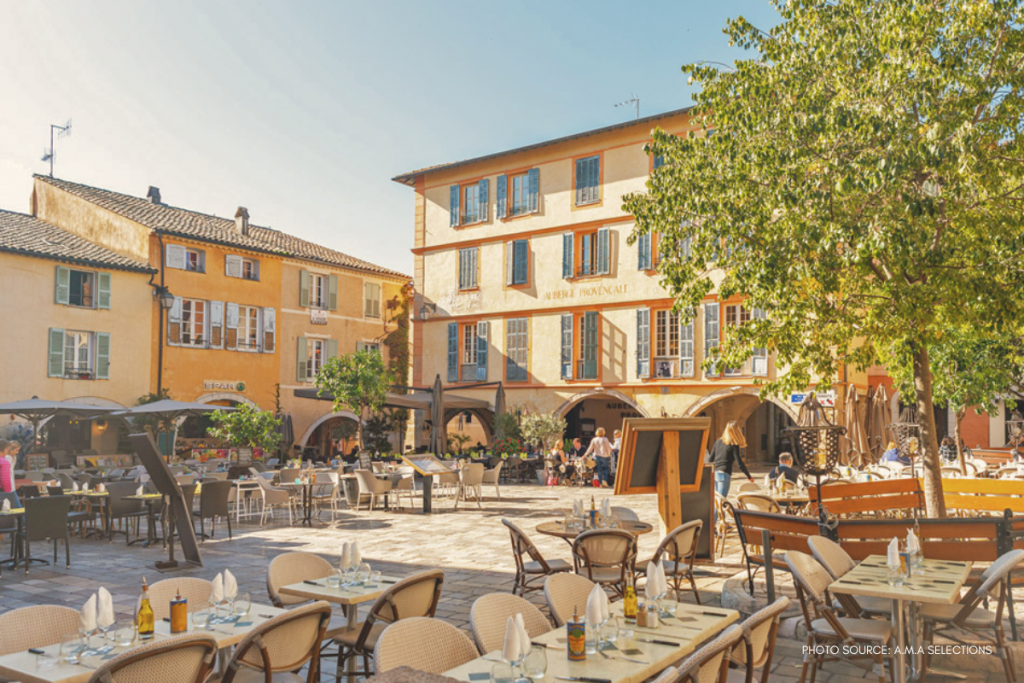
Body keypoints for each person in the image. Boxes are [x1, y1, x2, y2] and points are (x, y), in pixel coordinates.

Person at [711, 421, 753, 497]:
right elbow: (740, 464)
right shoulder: (733, 445)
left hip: (715, 473)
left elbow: (710, 459)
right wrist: (749, 476)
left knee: (716, 501)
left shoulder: (718, 441)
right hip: (724, 473)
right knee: (721, 500)